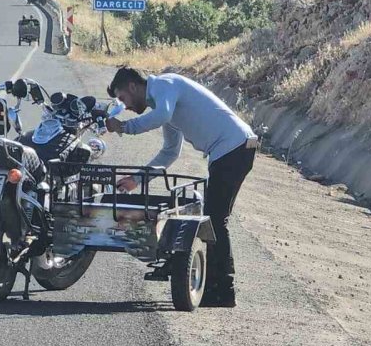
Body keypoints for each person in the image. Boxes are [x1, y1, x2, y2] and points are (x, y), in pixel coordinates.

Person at [106, 66, 257, 307]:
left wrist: (125, 127)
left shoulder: (166, 86)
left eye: (123, 98)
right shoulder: (166, 103)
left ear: (133, 86)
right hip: (230, 150)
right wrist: (138, 179)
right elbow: (169, 153)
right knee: (215, 217)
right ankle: (218, 290)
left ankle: (223, 291)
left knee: (216, 219)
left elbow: (161, 116)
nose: (125, 107)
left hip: (234, 148)